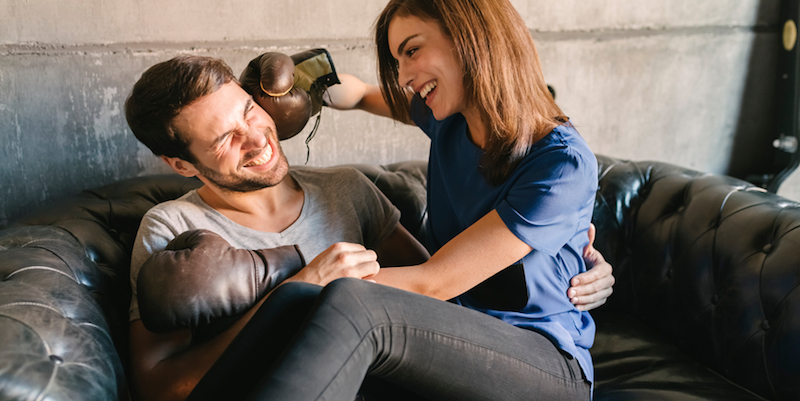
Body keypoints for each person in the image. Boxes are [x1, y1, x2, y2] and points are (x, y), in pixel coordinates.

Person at [124, 8, 611, 397]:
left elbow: (431, 285)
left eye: (250, 112)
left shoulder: (557, 164)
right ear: (182, 164)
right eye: (224, 139)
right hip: (437, 355)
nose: (405, 76)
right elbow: (358, 94)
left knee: (356, 302)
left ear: (470, 39)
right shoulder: (449, 118)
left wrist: (306, 289)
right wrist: (307, 84)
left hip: (535, 358)